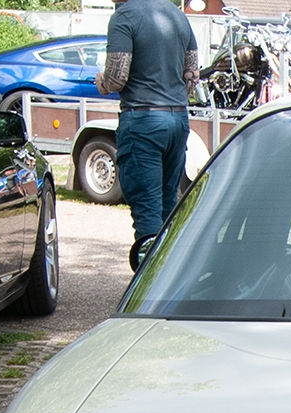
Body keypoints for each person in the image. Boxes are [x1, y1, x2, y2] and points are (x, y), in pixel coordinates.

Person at [96, 0, 197, 249]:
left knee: (147, 209)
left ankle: (149, 282)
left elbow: (117, 78)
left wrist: (102, 82)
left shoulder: (124, 17)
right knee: (167, 205)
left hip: (143, 121)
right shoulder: (177, 15)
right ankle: (171, 274)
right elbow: (192, 74)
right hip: (177, 119)